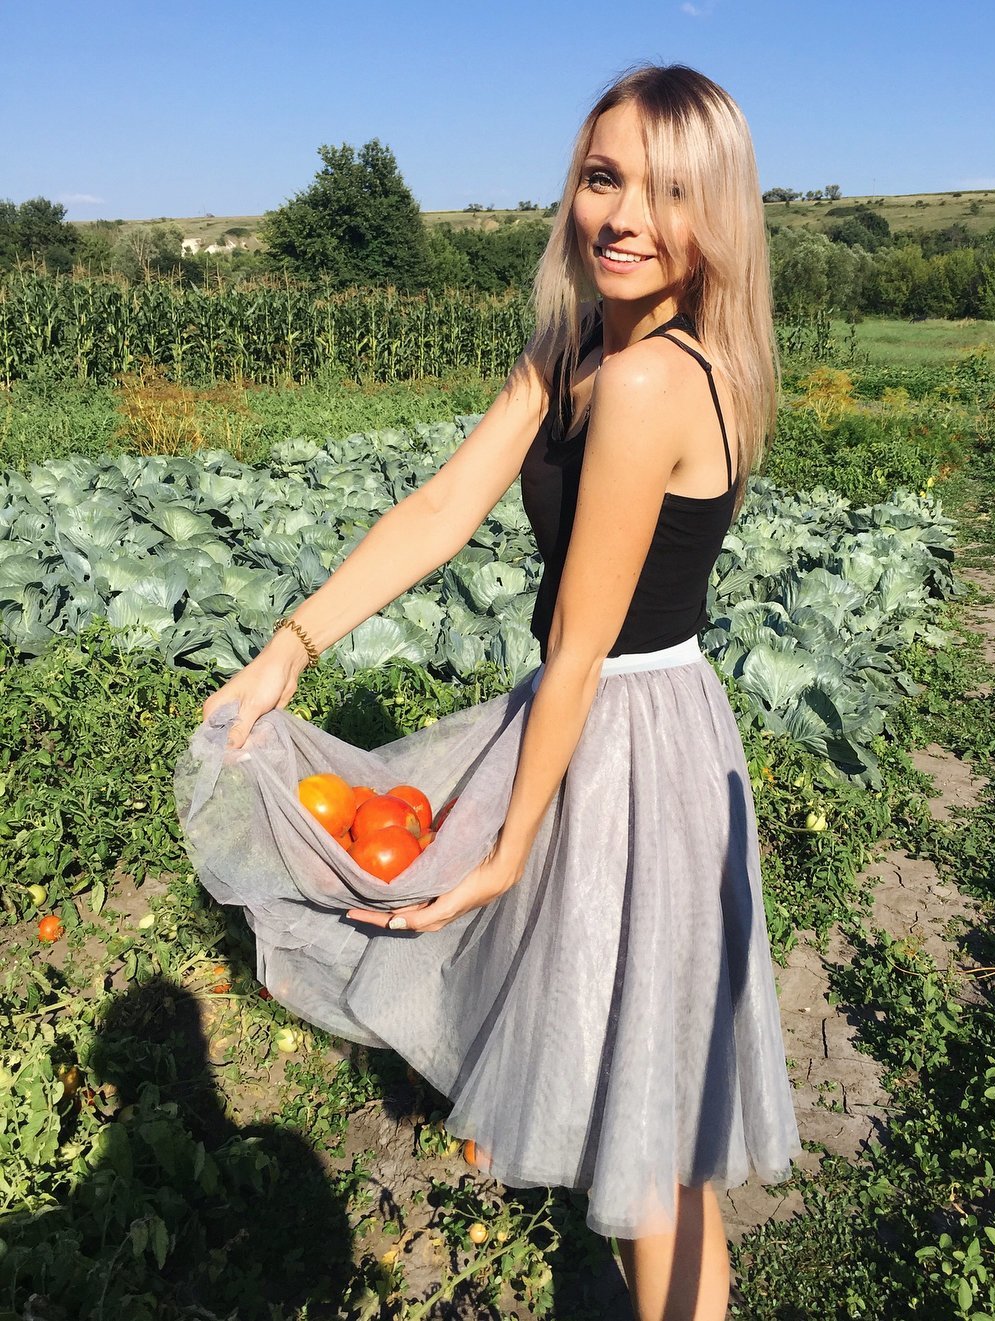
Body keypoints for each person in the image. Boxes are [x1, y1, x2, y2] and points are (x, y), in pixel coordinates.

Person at [185, 63, 801, 1321]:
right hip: (613, 716)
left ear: (719, 211)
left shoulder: (654, 379)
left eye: (667, 191)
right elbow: (442, 508)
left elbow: (579, 645)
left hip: (628, 738)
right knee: (649, 1112)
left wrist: (509, 847)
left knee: (653, 1125)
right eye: (602, 178)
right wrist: (293, 643)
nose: (621, 216)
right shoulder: (579, 346)